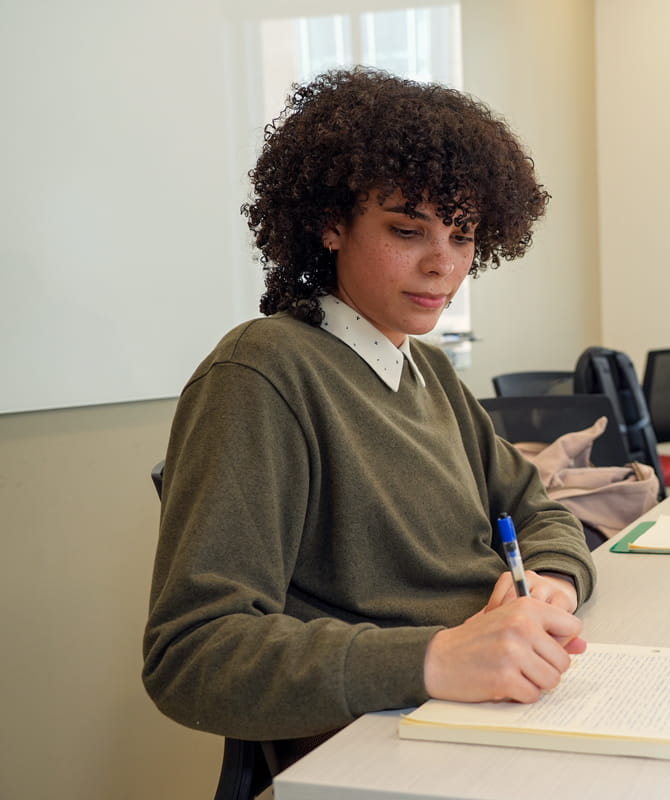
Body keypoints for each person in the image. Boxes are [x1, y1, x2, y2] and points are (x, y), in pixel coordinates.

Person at [142, 68, 596, 766]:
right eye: (407, 230)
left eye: (464, 236)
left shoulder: (429, 370)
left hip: (490, 710)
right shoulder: (263, 371)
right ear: (330, 224)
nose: (443, 265)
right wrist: (436, 658)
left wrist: (550, 581)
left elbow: (543, 513)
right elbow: (193, 652)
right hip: (387, 744)